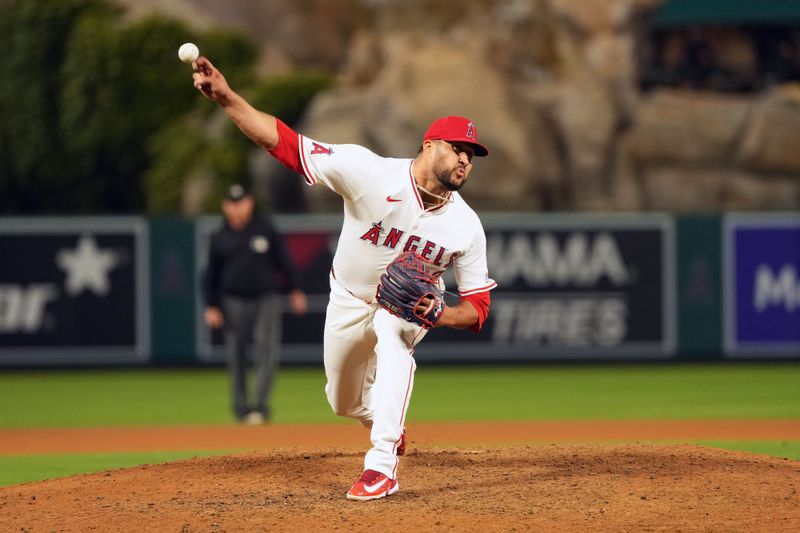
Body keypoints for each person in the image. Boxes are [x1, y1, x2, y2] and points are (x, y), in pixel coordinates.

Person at [191, 56, 496, 500]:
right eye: (456, 148)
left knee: (395, 338)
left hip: (406, 304)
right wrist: (228, 99)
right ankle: (382, 417)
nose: (465, 159)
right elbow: (286, 145)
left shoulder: (466, 227)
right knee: (342, 401)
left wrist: (440, 313)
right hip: (349, 298)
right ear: (429, 145)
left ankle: (382, 466)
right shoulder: (369, 172)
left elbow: (477, 308)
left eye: (471, 154)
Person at [202, 183, 308, 424]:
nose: (237, 208)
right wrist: (211, 305)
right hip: (232, 300)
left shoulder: (264, 228)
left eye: (241, 202)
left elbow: (284, 260)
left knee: (267, 350)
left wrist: (296, 289)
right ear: (225, 206)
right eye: (232, 203)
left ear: (250, 204)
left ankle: (259, 406)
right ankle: (241, 408)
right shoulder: (219, 237)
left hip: (265, 298)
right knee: (235, 354)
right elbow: (210, 274)